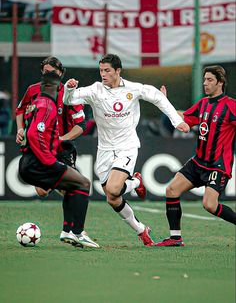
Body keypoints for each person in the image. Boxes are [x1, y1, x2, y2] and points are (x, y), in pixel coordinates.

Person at [63, 54, 190, 247]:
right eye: (101, 70)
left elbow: (157, 97)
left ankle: (136, 180)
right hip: (104, 149)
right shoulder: (95, 90)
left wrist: (177, 120)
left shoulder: (133, 88)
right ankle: (141, 229)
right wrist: (68, 89)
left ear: (118, 71)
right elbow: (68, 101)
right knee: (111, 198)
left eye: (107, 70)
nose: (103, 74)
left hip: (127, 146)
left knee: (114, 188)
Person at [16, 56, 99, 248]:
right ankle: (74, 231)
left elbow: (80, 125)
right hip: (43, 153)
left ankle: (72, 230)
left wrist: (62, 139)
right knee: (60, 188)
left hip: (61, 150)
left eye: (52, 73)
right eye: (45, 72)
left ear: (60, 73)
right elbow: (21, 112)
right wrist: (21, 130)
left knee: (74, 186)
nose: (49, 76)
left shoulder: (69, 94)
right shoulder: (36, 93)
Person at [157, 65, 236, 247]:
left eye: (209, 80)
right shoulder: (203, 104)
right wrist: (165, 104)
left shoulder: (231, 106)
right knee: (171, 190)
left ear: (220, 82)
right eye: (204, 79)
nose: (205, 84)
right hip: (198, 162)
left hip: (217, 165)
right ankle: (175, 238)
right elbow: (184, 118)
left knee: (209, 204)